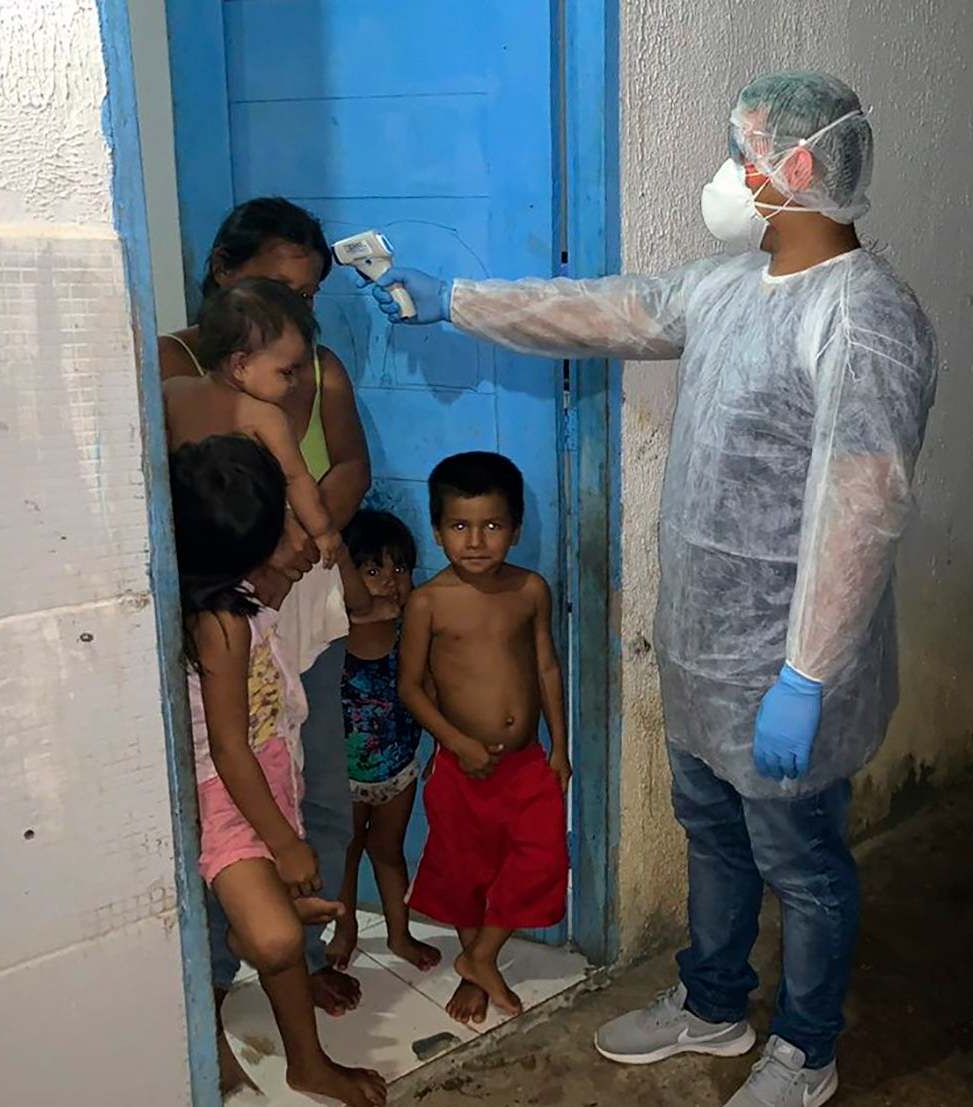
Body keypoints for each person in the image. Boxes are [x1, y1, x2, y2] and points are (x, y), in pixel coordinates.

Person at [365, 71, 937, 1107]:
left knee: (804, 866)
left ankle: (806, 1050)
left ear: (795, 168)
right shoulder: (726, 289)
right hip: (705, 652)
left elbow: (862, 509)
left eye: (743, 152)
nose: (730, 174)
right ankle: (713, 1003)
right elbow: (601, 310)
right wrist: (455, 301)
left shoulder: (864, 318)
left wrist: (806, 676)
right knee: (714, 836)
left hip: (789, 666)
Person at [161, 198, 373, 1086]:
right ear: (224, 274)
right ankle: (206, 995)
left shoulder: (309, 372)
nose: (302, 309)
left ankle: (299, 952)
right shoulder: (171, 370)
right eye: (280, 287)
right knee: (216, 809)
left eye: (310, 292)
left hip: (284, 602)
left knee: (312, 775)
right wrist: (265, 554)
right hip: (226, 595)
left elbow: (346, 467)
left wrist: (305, 561)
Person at [170, 434, 388, 1107]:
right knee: (274, 937)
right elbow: (229, 750)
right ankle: (258, 938)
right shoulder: (221, 624)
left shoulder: (230, 597)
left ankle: (307, 1063)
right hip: (236, 798)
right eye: (285, 521)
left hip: (269, 780)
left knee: (284, 939)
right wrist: (288, 843)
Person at [395, 452, 571, 1025]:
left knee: (541, 858)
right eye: (459, 526)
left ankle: (480, 957)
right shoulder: (428, 603)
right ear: (438, 530)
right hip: (460, 764)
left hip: (525, 764)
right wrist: (456, 742)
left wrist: (560, 747)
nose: (476, 541)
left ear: (516, 529)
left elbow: (547, 668)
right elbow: (411, 688)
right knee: (464, 869)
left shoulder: (530, 591)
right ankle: (475, 959)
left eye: (492, 526)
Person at [326, 509, 441, 974]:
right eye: (372, 570)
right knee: (346, 852)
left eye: (400, 569)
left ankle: (399, 933)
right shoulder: (333, 635)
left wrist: (440, 747)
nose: (390, 581)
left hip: (399, 770)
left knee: (389, 852)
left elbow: (430, 692)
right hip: (342, 777)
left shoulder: (409, 635)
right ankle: (346, 930)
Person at [164, 279, 341, 564]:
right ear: (241, 365)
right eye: (286, 372)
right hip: (246, 538)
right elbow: (296, 479)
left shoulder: (172, 391)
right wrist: (323, 530)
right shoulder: (265, 416)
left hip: (189, 535)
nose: (295, 382)